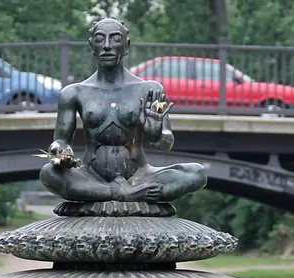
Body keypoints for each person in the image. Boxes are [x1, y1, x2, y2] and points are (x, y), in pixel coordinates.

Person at [40, 17, 207, 203]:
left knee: (196, 173)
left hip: (140, 176)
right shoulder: (74, 92)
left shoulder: (150, 90)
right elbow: (61, 141)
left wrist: (156, 133)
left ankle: (120, 191)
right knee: (49, 173)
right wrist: (59, 152)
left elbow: (165, 144)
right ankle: (118, 194)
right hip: (90, 175)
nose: (107, 46)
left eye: (115, 39)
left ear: (126, 45)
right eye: (99, 39)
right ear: (91, 46)